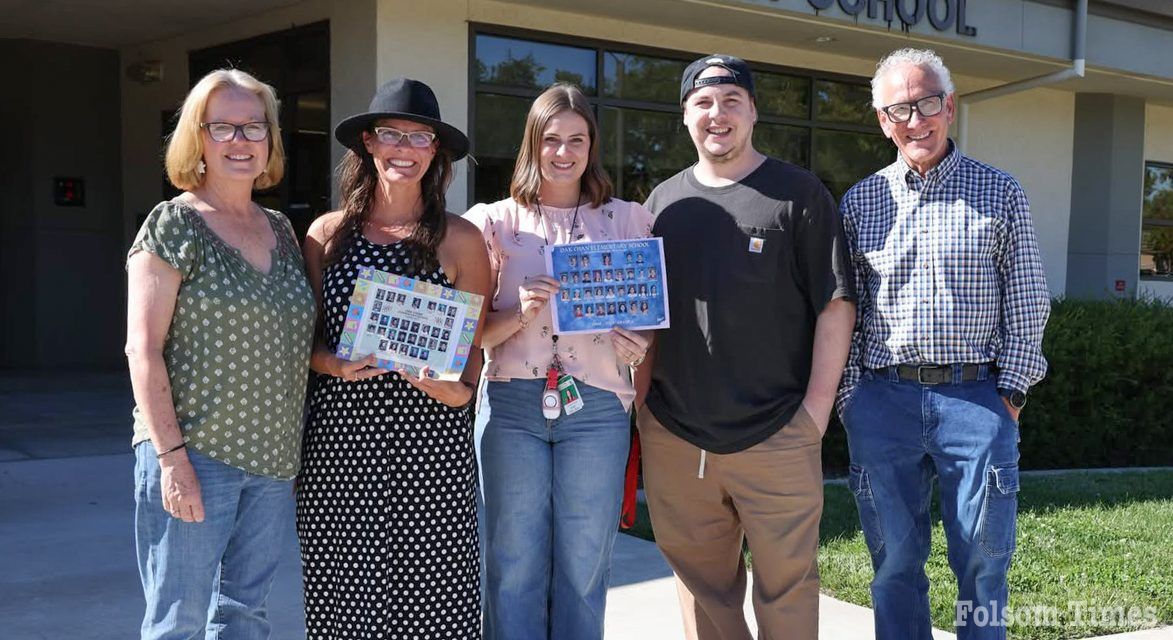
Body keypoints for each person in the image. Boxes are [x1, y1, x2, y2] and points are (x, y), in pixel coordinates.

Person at [636, 55, 856, 639]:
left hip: (778, 432)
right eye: (704, 102)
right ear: (685, 116)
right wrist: (642, 411)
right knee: (704, 596)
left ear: (753, 110)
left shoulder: (799, 195)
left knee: (787, 591)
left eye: (732, 100)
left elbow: (836, 305)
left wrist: (813, 416)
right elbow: (642, 319)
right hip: (677, 436)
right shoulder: (661, 206)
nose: (718, 114)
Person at [836, 48, 1050, 640]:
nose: (915, 120)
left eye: (927, 103)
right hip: (882, 404)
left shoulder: (1000, 192)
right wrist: (852, 399)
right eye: (899, 109)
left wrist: (1011, 394)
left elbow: (1029, 301)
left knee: (983, 566)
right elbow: (844, 310)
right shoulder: (860, 203)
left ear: (949, 107)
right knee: (894, 567)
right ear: (882, 120)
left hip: (977, 401)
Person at [296, 78, 491, 639]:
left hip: (429, 454)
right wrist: (334, 364)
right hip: (340, 451)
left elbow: (468, 373)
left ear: (436, 152)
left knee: (434, 606)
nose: (404, 148)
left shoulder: (461, 240)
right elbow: (306, 347)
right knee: (344, 604)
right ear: (368, 144)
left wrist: (440, 382)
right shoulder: (326, 235)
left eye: (419, 137)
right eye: (391, 135)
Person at [125, 68, 314, 639]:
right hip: (196, 455)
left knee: (244, 615)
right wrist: (172, 459)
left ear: (270, 141)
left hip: (274, 463)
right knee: (177, 620)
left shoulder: (281, 229)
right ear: (197, 138)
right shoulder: (174, 224)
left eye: (253, 127)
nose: (240, 140)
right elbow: (143, 350)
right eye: (223, 127)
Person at [463, 83, 652, 640]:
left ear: (592, 145)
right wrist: (519, 315)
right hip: (512, 405)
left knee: (584, 561)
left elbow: (648, 319)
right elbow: (472, 335)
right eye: (551, 140)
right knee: (512, 559)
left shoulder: (628, 222)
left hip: (597, 408)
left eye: (577, 140)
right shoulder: (492, 222)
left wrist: (638, 347)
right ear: (533, 144)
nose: (564, 152)